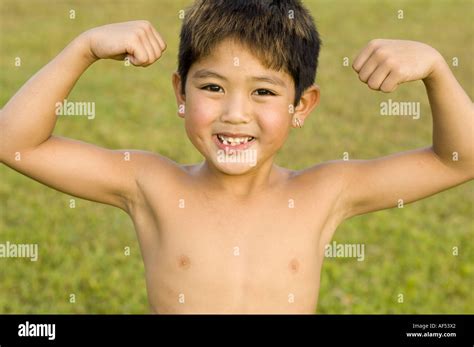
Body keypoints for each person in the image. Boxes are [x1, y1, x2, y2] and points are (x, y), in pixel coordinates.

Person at [1, 0, 472, 313]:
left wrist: (434, 68)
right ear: (179, 93)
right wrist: (82, 48)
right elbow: (15, 143)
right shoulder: (152, 184)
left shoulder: (323, 192)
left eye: (264, 91)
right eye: (211, 87)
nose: (235, 113)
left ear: (301, 107)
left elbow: (459, 159)